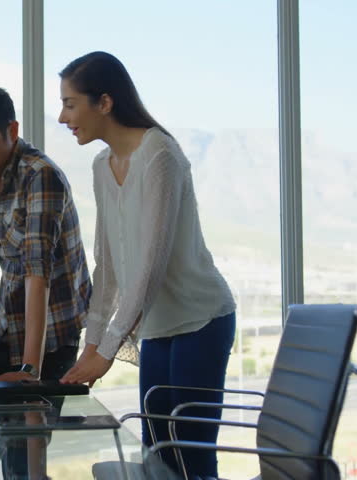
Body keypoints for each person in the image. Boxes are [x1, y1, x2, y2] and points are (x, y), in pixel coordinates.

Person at [56, 51, 236, 478]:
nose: (63, 117)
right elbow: (109, 269)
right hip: (156, 328)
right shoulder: (101, 166)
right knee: (158, 456)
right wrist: (92, 344)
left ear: (104, 102)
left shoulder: (160, 155)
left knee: (190, 459)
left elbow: (149, 267)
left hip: (200, 320)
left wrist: (109, 350)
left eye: (70, 104)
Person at [0, 87, 92, 383]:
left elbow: (37, 272)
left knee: (34, 409)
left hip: (53, 330)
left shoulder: (41, 176)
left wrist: (30, 369)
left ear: (12, 131)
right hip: (8, 324)